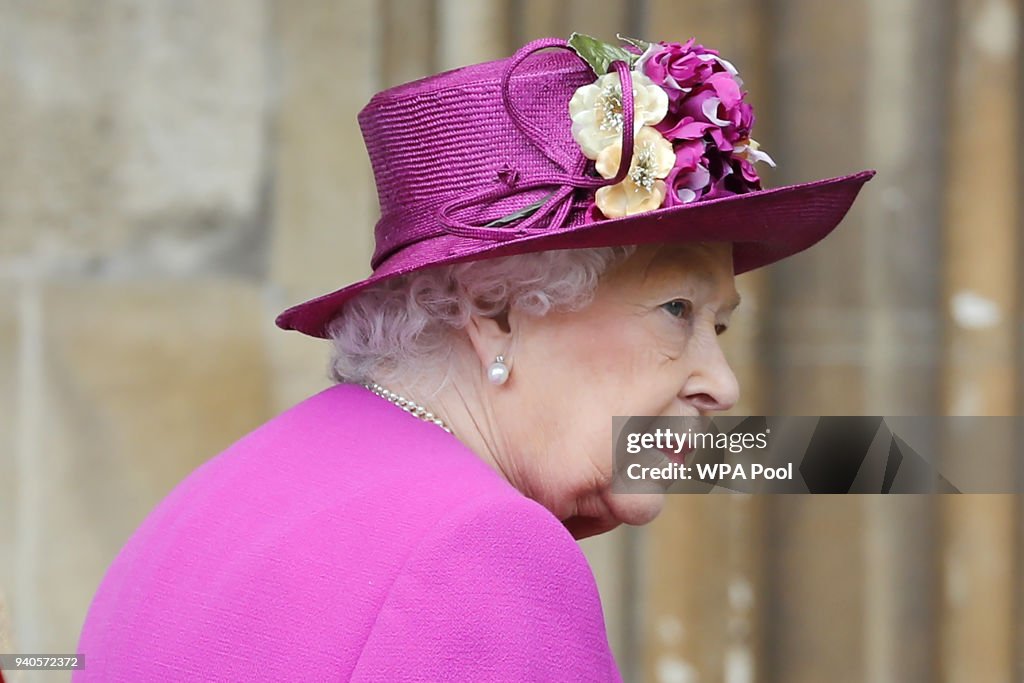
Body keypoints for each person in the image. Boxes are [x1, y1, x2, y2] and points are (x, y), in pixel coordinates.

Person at [75, 33, 873, 681]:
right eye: (676, 311)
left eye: (719, 327)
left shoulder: (227, 490)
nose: (721, 384)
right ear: (495, 313)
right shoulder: (480, 549)